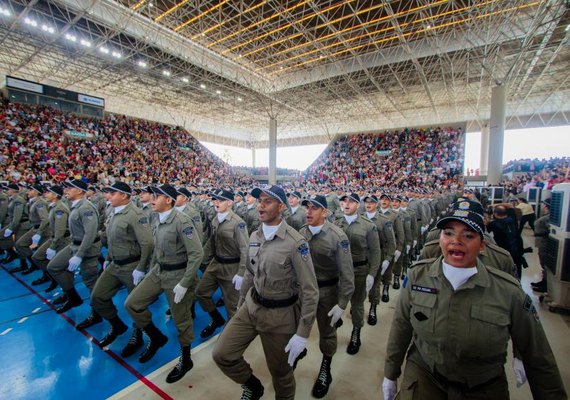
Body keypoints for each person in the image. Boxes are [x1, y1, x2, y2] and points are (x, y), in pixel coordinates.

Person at [382, 199, 567, 400]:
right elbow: (401, 326)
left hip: (482, 384)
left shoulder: (508, 291)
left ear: (482, 245)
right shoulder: (419, 276)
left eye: (468, 235)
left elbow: (538, 355)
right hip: (426, 375)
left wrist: (520, 356)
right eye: (448, 233)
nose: (456, 241)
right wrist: (390, 373)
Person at [212, 185, 318, 400]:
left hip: (280, 317)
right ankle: (253, 386)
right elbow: (250, 274)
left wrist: (302, 333)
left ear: (281, 207)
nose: (260, 205)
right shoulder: (255, 235)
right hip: (251, 307)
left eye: (267, 201)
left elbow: (310, 291)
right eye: (260, 200)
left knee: (281, 373)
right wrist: (241, 306)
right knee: (222, 354)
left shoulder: (296, 243)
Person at [124, 184, 203, 383]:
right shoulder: (155, 218)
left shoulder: (182, 221)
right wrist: (147, 270)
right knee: (132, 304)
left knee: (181, 321)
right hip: (159, 271)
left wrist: (185, 282)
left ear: (168, 200)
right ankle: (156, 336)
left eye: (157, 196)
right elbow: (157, 249)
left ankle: (186, 359)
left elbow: (197, 253)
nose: (151, 199)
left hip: (177, 274)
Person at [299, 194, 354, 398]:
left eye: (314, 208)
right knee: (293, 327)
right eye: (308, 207)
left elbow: (347, 275)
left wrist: (342, 304)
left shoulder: (337, 236)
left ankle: (326, 368)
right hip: (303, 291)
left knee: (327, 333)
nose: (309, 211)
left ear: (325, 212)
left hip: (327, 292)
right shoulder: (300, 233)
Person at [90, 182, 154, 352]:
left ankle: (138, 334)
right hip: (114, 263)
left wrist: (141, 267)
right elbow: (111, 238)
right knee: (97, 296)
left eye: (113, 193)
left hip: (131, 265)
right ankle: (117, 325)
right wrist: (108, 258)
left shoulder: (135, 214)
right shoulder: (112, 211)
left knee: (134, 304)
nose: (108, 196)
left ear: (124, 195)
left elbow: (147, 243)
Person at [47, 179, 101, 327]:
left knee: (91, 282)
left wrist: (79, 255)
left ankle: (97, 313)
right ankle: (73, 297)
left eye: (70, 188)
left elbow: (90, 234)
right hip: (74, 245)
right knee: (53, 266)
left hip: (86, 249)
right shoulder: (76, 206)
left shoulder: (86, 208)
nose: (66, 190)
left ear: (79, 191)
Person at [196, 188, 249, 338]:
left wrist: (241, 273)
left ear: (230, 203)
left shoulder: (238, 223)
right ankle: (216, 319)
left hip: (232, 267)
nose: (216, 202)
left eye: (220, 200)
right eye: (215, 199)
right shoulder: (215, 219)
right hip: (215, 263)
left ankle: (229, 336)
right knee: (201, 293)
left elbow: (245, 249)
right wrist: (201, 259)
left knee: (232, 306)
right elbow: (211, 243)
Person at [334, 192, 380, 354]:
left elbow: (375, 251)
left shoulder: (368, 226)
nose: (346, 204)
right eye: (344, 201)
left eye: (351, 202)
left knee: (357, 303)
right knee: (336, 300)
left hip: (359, 270)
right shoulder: (335, 223)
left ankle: (356, 332)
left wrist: (372, 274)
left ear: (357, 205)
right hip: (338, 271)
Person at [30, 185, 70, 292]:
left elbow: (60, 231)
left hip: (62, 240)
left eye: (48, 192)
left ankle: (68, 293)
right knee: (37, 257)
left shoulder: (59, 208)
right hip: (55, 237)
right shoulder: (54, 206)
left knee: (61, 267)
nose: (45, 194)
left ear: (55, 195)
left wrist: (52, 246)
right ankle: (53, 277)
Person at [15, 184, 49, 275]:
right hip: (34, 227)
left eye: (30, 190)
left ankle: (47, 275)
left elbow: (45, 219)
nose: (27, 191)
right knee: (20, 244)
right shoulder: (32, 201)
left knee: (41, 255)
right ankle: (35, 265)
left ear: (37, 192)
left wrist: (39, 233)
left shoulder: (39, 203)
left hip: (42, 230)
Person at [0, 183, 30, 270]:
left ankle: (28, 264)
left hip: (21, 224)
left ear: (13, 191)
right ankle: (22, 263)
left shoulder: (18, 200)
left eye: (8, 189)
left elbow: (17, 216)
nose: (6, 190)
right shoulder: (13, 199)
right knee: (18, 244)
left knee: (19, 245)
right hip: (17, 223)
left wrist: (10, 228)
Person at [531, 198, 551, 293]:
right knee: (542, 262)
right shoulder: (546, 216)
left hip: (544, 241)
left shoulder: (549, 217)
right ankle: (544, 281)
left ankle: (546, 284)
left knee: (545, 263)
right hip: (541, 241)